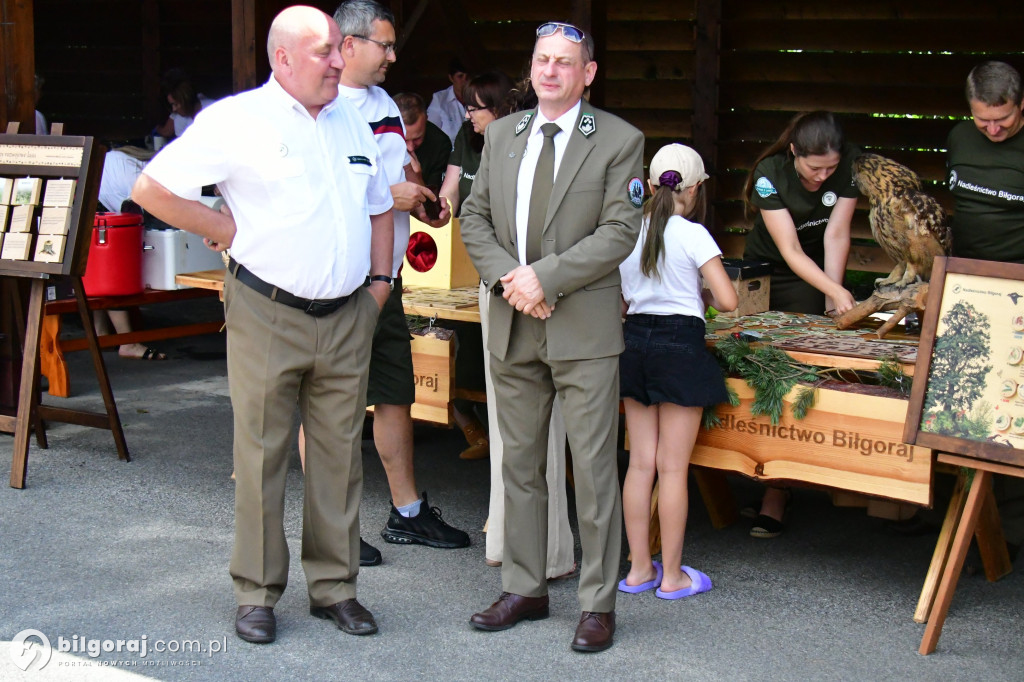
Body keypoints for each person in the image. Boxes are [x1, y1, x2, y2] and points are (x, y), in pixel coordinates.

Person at [132, 5, 394, 644]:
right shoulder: (237, 119)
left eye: (338, 49)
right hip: (266, 311)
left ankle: (336, 589)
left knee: (339, 460)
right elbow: (152, 188)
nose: (339, 61)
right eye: (325, 51)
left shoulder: (352, 122)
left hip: (346, 313)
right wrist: (223, 229)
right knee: (261, 457)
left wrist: (380, 286)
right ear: (283, 58)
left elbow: (381, 207)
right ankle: (256, 593)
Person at [461, 21, 644, 653]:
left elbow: (620, 231)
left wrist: (545, 279)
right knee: (519, 462)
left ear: (587, 73)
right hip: (514, 320)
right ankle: (525, 587)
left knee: (593, 470)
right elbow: (474, 216)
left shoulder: (619, 139)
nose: (549, 72)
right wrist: (511, 281)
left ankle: (597, 603)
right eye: (542, 60)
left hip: (582, 329)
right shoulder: (504, 135)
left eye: (564, 63)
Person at [333, 0, 468, 564]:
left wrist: (427, 207)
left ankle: (407, 513)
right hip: (337, 281)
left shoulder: (384, 102)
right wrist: (392, 198)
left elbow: (402, 174)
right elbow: (323, 196)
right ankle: (331, 527)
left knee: (393, 392)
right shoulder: (320, 105)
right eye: (383, 45)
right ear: (347, 44)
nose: (392, 55)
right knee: (330, 402)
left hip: (384, 279)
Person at [438, 69, 575, 574]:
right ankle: (529, 548)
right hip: (511, 290)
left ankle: (531, 547)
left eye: (478, 107)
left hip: (536, 289)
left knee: (534, 425)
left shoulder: (543, 151)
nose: (470, 116)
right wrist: (520, 283)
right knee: (517, 424)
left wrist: (531, 282)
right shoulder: (495, 147)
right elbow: (470, 218)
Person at [617, 143, 737, 600]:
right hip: (680, 347)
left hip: (635, 344)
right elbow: (728, 301)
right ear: (696, 189)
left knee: (640, 464)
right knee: (672, 469)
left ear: (649, 185)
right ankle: (671, 577)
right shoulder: (694, 235)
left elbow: (623, 301)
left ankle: (637, 570)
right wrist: (700, 293)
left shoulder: (628, 230)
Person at [741, 110, 860, 538]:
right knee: (751, 369)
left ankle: (778, 491)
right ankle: (747, 466)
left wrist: (833, 295)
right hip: (770, 271)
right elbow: (789, 249)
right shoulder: (768, 175)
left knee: (795, 376)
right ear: (794, 152)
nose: (822, 177)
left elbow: (836, 234)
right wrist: (831, 286)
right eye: (814, 168)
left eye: (831, 168)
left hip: (814, 274)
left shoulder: (848, 167)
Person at [947, 60, 1024, 263]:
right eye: (982, 120)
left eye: (1002, 119)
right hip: (962, 268)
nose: (993, 129)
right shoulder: (959, 136)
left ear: (1022, 103)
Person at [393, 92, 451, 190]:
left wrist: (417, 177)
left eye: (417, 138)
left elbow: (434, 201)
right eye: (404, 140)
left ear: (426, 119)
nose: (410, 147)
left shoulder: (440, 144)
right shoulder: (376, 138)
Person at [153, 68, 215, 140]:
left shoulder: (212, 109)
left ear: (185, 100)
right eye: (172, 105)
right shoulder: (180, 118)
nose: (174, 109)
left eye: (175, 104)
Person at [427, 56, 469, 144]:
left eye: (467, 77)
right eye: (460, 76)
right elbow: (431, 132)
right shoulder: (439, 99)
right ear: (451, 78)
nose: (465, 81)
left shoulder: (477, 99)